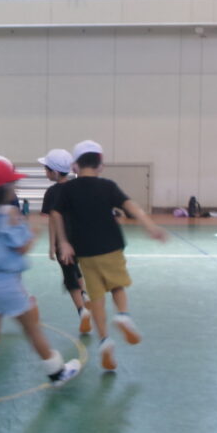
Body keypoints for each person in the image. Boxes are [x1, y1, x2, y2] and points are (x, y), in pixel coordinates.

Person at [0, 157, 81, 404]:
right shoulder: (10, 213)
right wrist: (33, 233)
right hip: (7, 284)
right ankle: (57, 372)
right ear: (5, 187)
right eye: (12, 183)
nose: (15, 187)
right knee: (32, 328)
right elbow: (21, 248)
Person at [50, 140, 167, 371]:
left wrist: (63, 242)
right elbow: (131, 206)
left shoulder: (67, 189)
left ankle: (104, 340)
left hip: (85, 252)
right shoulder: (108, 186)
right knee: (117, 286)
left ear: (75, 166)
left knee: (96, 298)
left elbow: (55, 213)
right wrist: (150, 226)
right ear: (100, 165)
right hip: (111, 247)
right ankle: (122, 315)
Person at [37, 148, 92, 335]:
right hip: (81, 239)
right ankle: (84, 295)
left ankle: (82, 310)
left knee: (69, 277)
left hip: (63, 242)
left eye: (46, 169)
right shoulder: (77, 187)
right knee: (75, 269)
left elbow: (53, 219)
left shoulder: (52, 193)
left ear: (54, 172)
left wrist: (52, 244)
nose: (45, 172)